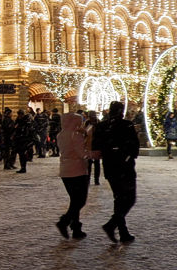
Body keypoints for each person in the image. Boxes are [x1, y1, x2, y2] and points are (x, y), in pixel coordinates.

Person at [96, 101, 139, 243]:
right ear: (121, 111)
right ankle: (112, 225)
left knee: (119, 198)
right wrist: (127, 156)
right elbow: (134, 146)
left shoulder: (101, 126)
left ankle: (122, 231)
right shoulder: (126, 125)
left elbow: (97, 146)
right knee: (129, 198)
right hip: (124, 167)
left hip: (110, 167)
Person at [55, 112, 89, 239]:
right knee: (80, 200)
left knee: (74, 200)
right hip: (78, 170)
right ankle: (64, 222)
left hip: (65, 170)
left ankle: (76, 228)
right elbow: (82, 153)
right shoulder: (76, 135)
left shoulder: (61, 135)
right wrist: (93, 154)